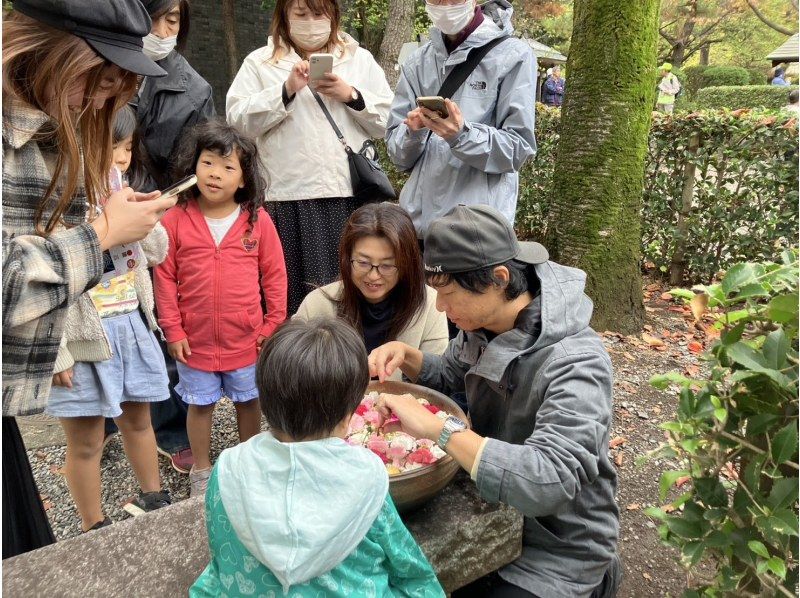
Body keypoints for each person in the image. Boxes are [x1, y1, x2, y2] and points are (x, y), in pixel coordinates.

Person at [368, 205, 620, 597]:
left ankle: (600, 585)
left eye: (448, 293)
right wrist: (408, 354)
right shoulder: (484, 322)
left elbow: (550, 478)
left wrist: (439, 429)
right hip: (489, 504)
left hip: (556, 546)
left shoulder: (575, 362)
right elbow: (452, 372)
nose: (439, 307)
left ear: (499, 279)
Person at [2, 0, 176, 556]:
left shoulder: (49, 126)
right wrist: (98, 235)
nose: (103, 99)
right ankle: (93, 522)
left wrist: (121, 224)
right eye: (99, 80)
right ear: (53, 53)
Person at [190, 318, 445, 597]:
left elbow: (220, 554)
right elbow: (408, 566)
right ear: (349, 417)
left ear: (264, 400)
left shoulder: (228, 468)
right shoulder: (365, 478)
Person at [46, 106, 173, 533]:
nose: (121, 158)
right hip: (82, 337)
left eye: (127, 147)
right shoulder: (56, 200)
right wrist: (56, 351)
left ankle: (153, 497)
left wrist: (144, 214)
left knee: (139, 420)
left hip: (129, 325)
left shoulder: (121, 190)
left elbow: (155, 254)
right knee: (86, 440)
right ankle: (92, 526)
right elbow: (43, 281)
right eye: (112, 147)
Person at [226, 0, 393, 314]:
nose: (310, 22)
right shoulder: (259, 62)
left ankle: (351, 359)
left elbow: (387, 121)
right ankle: (294, 362)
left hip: (348, 196)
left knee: (351, 294)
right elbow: (237, 122)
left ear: (333, 15)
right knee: (291, 295)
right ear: (284, 17)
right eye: (300, 14)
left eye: (318, 14)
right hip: (287, 199)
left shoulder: (359, 59)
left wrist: (351, 95)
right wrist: (286, 89)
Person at [154, 120, 288, 498]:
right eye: (208, 163)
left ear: (244, 180)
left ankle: (248, 463)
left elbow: (274, 275)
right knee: (199, 406)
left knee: (249, 401)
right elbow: (163, 279)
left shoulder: (256, 220)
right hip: (193, 342)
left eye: (229, 167)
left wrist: (272, 324)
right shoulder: (175, 219)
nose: (215, 174)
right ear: (193, 166)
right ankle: (201, 469)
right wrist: (173, 330)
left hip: (246, 338)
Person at [136, 0, 217, 477]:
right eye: (153, 17)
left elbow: (196, 164)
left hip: (159, 220)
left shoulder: (193, 88)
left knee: (164, 323)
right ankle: (110, 419)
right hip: (98, 213)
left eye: (172, 21)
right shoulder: (100, 63)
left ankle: (171, 430)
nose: (161, 30)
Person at [385, 0, 536, 239]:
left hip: (477, 231)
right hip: (418, 226)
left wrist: (461, 135)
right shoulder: (417, 61)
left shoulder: (513, 55)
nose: (445, 5)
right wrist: (412, 133)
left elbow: (518, 149)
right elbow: (398, 157)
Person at [294, 202, 448, 367]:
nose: (374, 276)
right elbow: (292, 370)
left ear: (407, 264)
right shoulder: (316, 305)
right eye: (363, 262)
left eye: (387, 266)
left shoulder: (431, 304)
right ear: (347, 258)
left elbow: (436, 377)